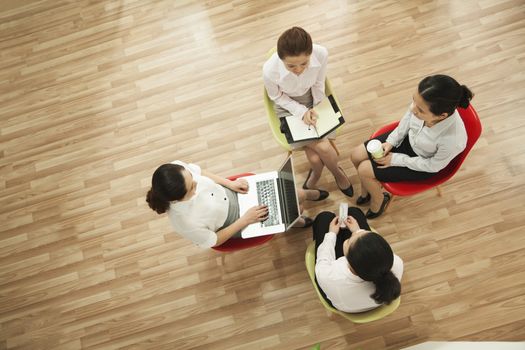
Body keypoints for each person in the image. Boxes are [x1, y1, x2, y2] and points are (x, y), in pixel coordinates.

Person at [350, 74, 473, 218]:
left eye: (420, 110)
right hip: (410, 139)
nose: (413, 109)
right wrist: (391, 141)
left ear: (441, 116)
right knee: (356, 155)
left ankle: (379, 200)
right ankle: (368, 190)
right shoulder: (421, 105)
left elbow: (433, 166)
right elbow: (407, 119)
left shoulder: (453, 140)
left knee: (364, 170)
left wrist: (396, 159)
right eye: (414, 101)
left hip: (422, 162)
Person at [146, 160, 325, 248]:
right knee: (296, 208)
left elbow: (201, 172)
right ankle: (296, 220)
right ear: (177, 199)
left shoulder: (176, 170)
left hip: (231, 193)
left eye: (192, 178)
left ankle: (305, 195)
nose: (196, 182)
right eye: (192, 187)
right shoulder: (184, 222)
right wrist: (245, 220)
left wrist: (229, 183)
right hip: (234, 221)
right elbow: (214, 241)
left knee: (297, 195)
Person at [263, 26, 353, 199]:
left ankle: (317, 174)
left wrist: (316, 107)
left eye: (304, 63)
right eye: (291, 66)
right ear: (281, 59)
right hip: (287, 106)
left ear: (310, 54)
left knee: (314, 159)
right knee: (324, 147)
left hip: (313, 98)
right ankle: (338, 173)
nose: (299, 70)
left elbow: (319, 84)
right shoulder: (269, 70)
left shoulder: (321, 53)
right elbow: (276, 97)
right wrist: (301, 111)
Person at [313, 207, 403, 313]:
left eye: (349, 240)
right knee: (354, 212)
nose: (352, 236)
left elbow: (323, 259)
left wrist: (331, 234)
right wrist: (357, 230)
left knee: (324, 217)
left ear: (347, 260)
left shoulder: (330, 276)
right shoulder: (396, 263)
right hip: (363, 299)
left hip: (343, 300)